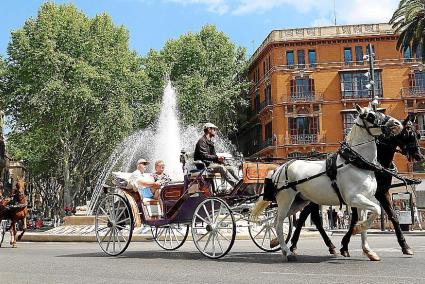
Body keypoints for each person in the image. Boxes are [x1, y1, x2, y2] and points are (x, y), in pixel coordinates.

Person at [194, 123, 239, 187]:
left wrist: (221, 161)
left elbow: (214, 156)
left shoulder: (210, 142)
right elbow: (204, 156)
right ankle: (236, 185)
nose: (215, 131)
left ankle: (241, 184)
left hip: (210, 165)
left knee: (230, 168)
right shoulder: (201, 141)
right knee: (221, 168)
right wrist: (217, 158)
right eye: (214, 129)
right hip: (204, 166)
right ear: (209, 129)